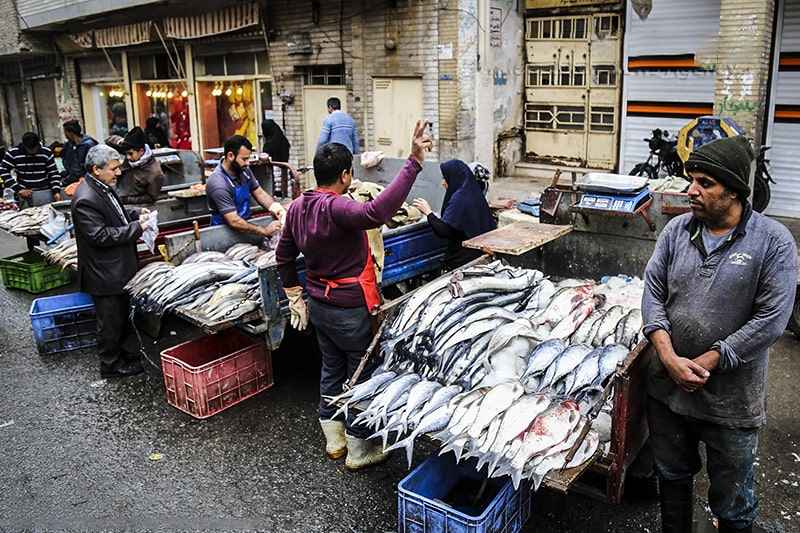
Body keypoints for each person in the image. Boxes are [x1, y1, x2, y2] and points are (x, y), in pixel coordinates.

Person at [642, 136, 797, 533]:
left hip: (731, 402)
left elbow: (771, 319)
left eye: (704, 183)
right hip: (668, 391)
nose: (691, 190)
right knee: (672, 477)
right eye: (691, 179)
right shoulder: (678, 230)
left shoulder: (773, 242)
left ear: (733, 192)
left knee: (733, 504)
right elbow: (653, 291)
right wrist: (668, 356)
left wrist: (709, 360)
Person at [276, 121, 432, 470]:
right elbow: (377, 212)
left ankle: (335, 440)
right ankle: (360, 450)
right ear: (346, 175)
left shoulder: (299, 207)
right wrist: (414, 162)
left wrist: (294, 296)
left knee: (331, 368)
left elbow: (283, 255)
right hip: (349, 309)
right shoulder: (337, 208)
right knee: (361, 372)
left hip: (319, 306)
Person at [72, 144, 150, 379]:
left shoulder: (102, 186)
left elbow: (116, 213)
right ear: (96, 169)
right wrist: (137, 229)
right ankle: (110, 365)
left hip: (116, 269)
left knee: (121, 316)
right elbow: (100, 235)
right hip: (104, 273)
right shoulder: (85, 197)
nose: (118, 173)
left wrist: (135, 215)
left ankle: (126, 356)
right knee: (110, 322)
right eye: (114, 169)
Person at [412, 160, 496, 270]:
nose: (443, 183)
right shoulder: (473, 191)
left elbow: (444, 231)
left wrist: (428, 212)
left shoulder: (460, 199)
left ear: (454, 177)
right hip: (480, 251)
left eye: (445, 178)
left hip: (464, 258)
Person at [206, 135, 284, 237]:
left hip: (246, 228)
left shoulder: (243, 170)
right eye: (244, 159)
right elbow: (234, 221)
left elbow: (259, 193)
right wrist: (264, 231)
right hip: (224, 234)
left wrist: (278, 209)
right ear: (230, 156)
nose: (248, 163)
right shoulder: (218, 183)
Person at [0, 132, 62, 206]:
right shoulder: (13, 153)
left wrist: (56, 191)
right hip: (25, 194)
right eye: (30, 149)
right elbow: (3, 170)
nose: (33, 152)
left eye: (35, 149)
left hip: (45, 191)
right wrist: (18, 189)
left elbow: (54, 173)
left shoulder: (46, 152)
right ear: (24, 145)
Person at [118, 127, 165, 205]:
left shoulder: (155, 173)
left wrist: (127, 200)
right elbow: (109, 140)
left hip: (135, 207)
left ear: (141, 151)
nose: (128, 157)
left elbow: (151, 198)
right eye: (126, 154)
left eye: (130, 153)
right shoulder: (132, 159)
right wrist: (121, 141)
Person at [61, 120, 98, 188]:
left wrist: (63, 182)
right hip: (74, 181)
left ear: (70, 133)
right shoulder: (69, 145)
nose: (65, 136)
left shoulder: (88, 145)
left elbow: (78, 170)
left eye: (65, 133)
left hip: (87, 183)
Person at [262, 118, 291, 197]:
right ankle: (283, 194)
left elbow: (266, 153)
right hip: (284, 163)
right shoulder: (279, 135)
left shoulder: (270, 142)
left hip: (275, 168)